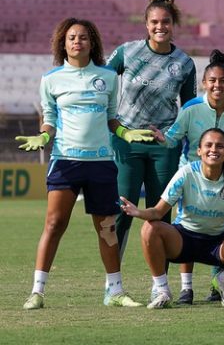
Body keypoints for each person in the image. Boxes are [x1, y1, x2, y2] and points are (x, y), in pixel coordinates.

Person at [17, 18, 144, 309]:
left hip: (100, 163)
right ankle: (37, 292)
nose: (78, 41)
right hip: (65, 162)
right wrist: (42, 137)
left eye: (83, 37)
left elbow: (112, 118)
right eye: (72, 37)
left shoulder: (108, 77)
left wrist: (127, 132)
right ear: (63, 43)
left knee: (107, 228)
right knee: (54, 223)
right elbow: (49, 120)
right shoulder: (51, 79)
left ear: (92, 43)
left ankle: (115, 291)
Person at [119, 128, 224, 308]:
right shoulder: (186, 173)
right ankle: (162, 290)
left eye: (220, 146)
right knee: (149, 228)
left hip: (218, 244)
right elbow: (157, 212)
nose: (214, 149)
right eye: (208, 145)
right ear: (199, 151)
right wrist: (139, 212)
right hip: (183, 240)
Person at [151, 49, 224, 304]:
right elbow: (174, 138)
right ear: (205, 84)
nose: (218, 85)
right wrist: (163, 139)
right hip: (192, 176)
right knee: (188, 226)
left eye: (223, 81)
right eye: (213, 81)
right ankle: (186, 289)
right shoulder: (191, 108)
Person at [106, 0, 196, 262]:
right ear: (146, 24)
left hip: (164, 147)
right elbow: (102, 84)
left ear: (173, 24)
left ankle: (161, 287)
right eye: (154, 22)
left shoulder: (184, 63)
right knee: (121, 210)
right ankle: (114, 283)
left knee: (160, 215)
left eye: (165, 21)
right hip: (126, 143)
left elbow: (189, 109)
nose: (160, 27)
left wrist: (179, 142)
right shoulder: (127, 52)